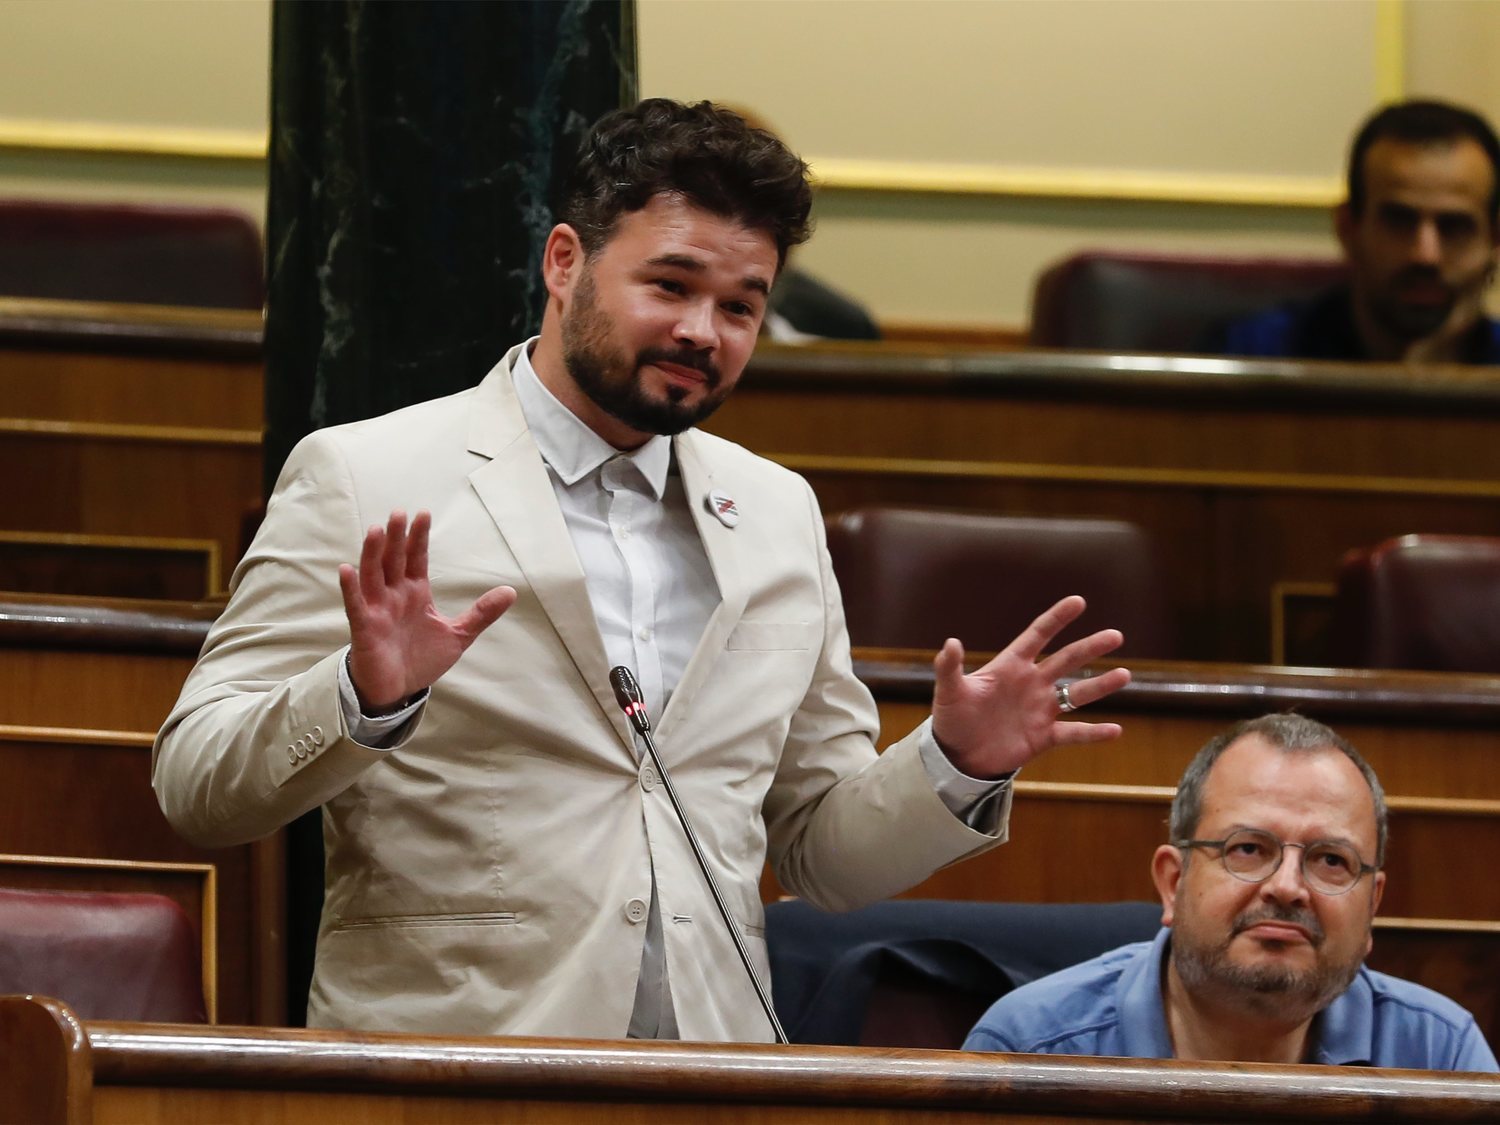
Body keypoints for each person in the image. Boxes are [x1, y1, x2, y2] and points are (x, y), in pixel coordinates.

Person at [152, 99, 1130, 1042]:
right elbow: (199, 786)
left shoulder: (777, 512)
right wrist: (361, 698)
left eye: (741, 306)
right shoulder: (367, 475)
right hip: (459, 1068)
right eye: (670, 286)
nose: (705, 332)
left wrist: (954, 765)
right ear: (565, 263)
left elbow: (821, 859)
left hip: (711, 1072)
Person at [964, 714, 1497, 1070]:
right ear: (1173, 883)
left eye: (1331, 861)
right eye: (1249, 849)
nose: (1288, 887)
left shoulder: (1440, 1053)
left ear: (1372, 906)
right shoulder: (1029, 1051)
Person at [1218, 99, 1500, 363]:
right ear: (1348, 227)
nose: (1425, 255)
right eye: (1399, 221)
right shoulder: (1250, 356)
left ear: (1495, 238)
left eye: (1454, 227)